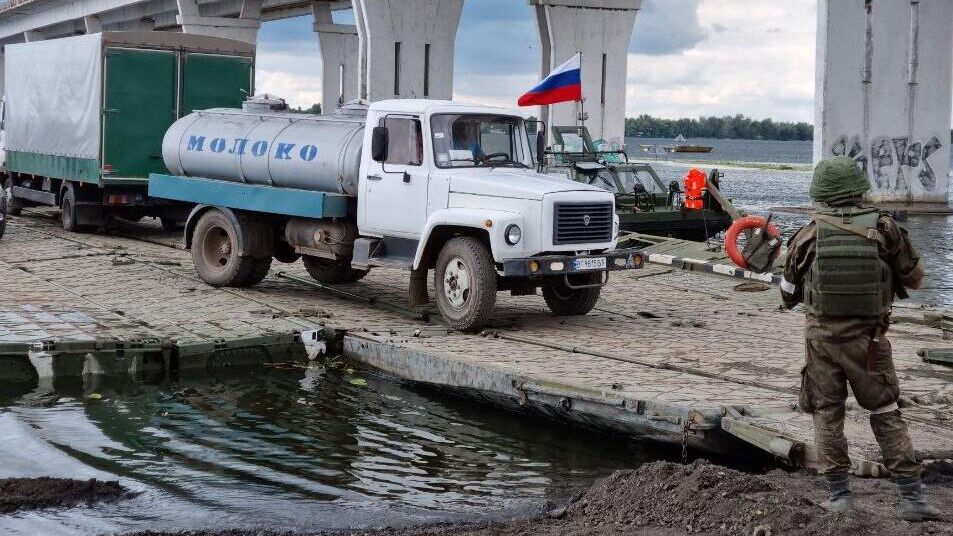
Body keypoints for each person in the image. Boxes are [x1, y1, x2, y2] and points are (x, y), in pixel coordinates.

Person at [781, 156, 939, 521]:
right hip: (870, 342)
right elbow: (915, 279)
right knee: (885, 411)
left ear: (821, 193)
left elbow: (787, 295)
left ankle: (839, 497)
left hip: (823, 342)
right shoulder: (886, 229)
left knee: (828, 413)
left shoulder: (807, 235)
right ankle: (912, 499)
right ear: (857, 188)